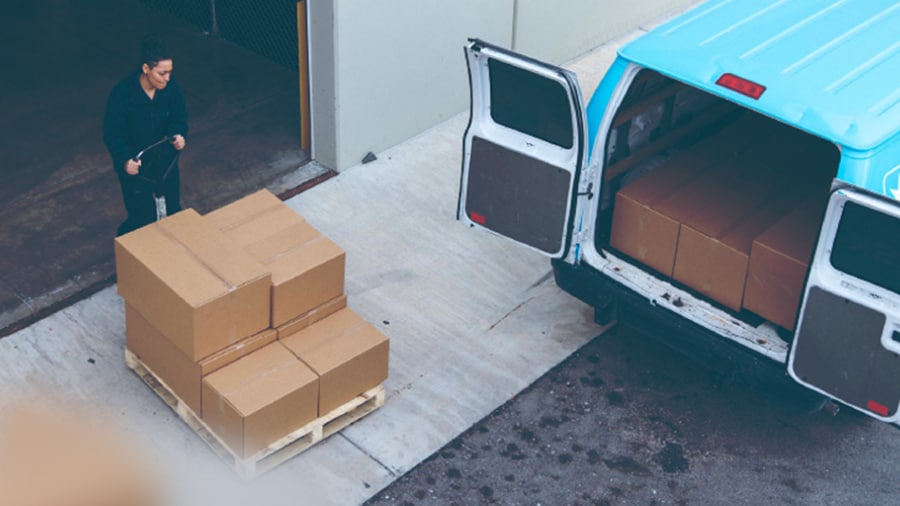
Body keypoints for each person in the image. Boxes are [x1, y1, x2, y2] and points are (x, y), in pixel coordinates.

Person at [104, 35, 188, 236]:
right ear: (146, 69)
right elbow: (113, 133)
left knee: (173, 209)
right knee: (141, 217)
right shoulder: (122, 95)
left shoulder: (170, 88)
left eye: (169, 72)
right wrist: (124, 160)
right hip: (138, 167)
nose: (167, 78)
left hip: (165, 163)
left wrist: (179, 134)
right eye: (162, 73)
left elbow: (179, 116)